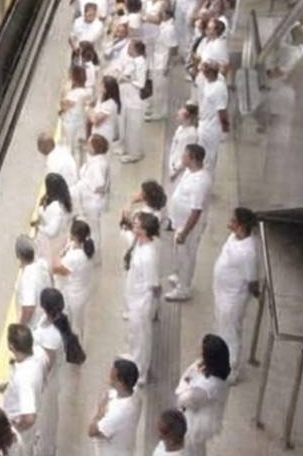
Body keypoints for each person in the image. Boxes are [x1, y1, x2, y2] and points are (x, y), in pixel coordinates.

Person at [212, 207, 260, 381]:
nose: (229, 222)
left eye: (233, 220)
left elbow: (252, 281)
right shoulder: (233, 237)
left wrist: (257, 294)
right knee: (222, 328)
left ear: (241, 226)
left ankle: (231, 369)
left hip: (233, 298)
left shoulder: (248, 252)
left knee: (231, 332)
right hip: (222, 293)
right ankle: (220, 359)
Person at [34, 289, 82, 456]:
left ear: (43, 307)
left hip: (47, 384)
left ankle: (46, 451)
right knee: (47, 416)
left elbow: (46, 366)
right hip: (52, 380)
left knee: (47, 418)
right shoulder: (61, 317)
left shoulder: (51, 337)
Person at [164, 144, 213, 302]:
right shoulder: (190, 171)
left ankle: (183, 288)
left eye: (184, 156)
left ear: (192, 159)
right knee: (179, 252)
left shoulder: (200, 182)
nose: (182, 158)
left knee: (186, 255)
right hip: (180, 222)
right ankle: (179, 276)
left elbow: (196, 210)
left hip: (189, 226)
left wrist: (185, 232)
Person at [175, 334, 232, 456]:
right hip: (201, 419)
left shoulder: (206, 388)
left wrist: (186, 383)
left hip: (193, 424)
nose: (198, 349)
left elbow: (183, 399)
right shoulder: (219, 374)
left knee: (189, 451)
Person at [123, 212, 162, 381]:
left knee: (141, 336)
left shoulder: (148, 255)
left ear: (144, 231)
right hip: (134, 298)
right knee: (134, 333)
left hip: (142, 302)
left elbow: (154, 284)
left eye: (137, 225)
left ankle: (140, 372)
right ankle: (133, 358)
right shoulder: (140, 243)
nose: (134, 226)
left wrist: (153, 306)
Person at [1, 324, 46, 454]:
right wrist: (9, 386)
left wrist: (13, 430)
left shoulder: (23, 379)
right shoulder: (39, 353)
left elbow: (29, 418)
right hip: (33, 410)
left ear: (12, 347)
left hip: (16, 427)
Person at [87, 359, 142, 456]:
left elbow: (92, 431)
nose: (109, 375)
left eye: (112, 375)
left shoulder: (120, 411)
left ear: (120, 382)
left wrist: (100, 412)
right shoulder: (131, 395)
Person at [52, 220, 95, 336]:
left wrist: (56, 256)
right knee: (78, 322)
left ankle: (76, 349)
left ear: (74, 235)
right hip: (81, 289)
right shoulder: (84, 247)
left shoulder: (75, 257)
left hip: (74, 295)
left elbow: (56, 269)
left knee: (74, 326)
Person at [74, 134, 111, 257]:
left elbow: (99, 183)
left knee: (93, 229)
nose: (87, 146)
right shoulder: (97, 159)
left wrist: (87, 187)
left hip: (92, 202)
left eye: (89, 144)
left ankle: (94, 253)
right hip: (89, 200)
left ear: (95, 148)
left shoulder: (98, 165)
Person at [118, 40, 148, 163]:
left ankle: (134, 153)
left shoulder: (140, 63)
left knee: (133, 127)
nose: (128, 50)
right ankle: (126, 148)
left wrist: (128, 80)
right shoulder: (134, 61)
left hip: (134, 100)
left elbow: (141, 83)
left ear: (135, 50)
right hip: (126, 99)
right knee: (126, 125)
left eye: (130, 47)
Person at [196, 63, 229, 173]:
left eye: (205, 71)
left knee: (208, 159)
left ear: (211, 73)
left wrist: (225, 129)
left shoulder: (218, 89)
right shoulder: (209, 81)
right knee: (202, 155)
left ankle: (206, 181)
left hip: (211, 128)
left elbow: (222, 111)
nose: (203, 73)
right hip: (204, 123)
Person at [15, 236, 53, 329]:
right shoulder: (42, 263)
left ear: (19, 256)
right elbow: (52, 280)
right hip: (47, 317)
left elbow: (29, 308)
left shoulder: (27, 278)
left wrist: (20, 327)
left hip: (34, 326)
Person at [35, 173, 74, 264]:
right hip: (60, 241)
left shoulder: (56, 208)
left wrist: (39, 227)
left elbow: (52, 232)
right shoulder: (65, 200)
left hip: (52, 246)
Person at [61, 65, 93, 160]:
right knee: (78, 149)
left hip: (70, 124)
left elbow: (63, 106)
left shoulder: (73, 94)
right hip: (81, 123)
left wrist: (65, 91)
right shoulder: (87, 92)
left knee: (69, 149)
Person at [90, 77, 121, 146]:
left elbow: (95, 120)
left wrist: (88, 109)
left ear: (106, 89)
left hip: (103, 135)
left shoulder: (110, 104)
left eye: (101, 84)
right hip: (97, 133)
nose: (98, 85)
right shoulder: (101, 98)